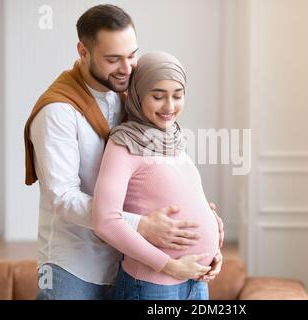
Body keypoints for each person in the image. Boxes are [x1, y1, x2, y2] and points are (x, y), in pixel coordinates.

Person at [23, 4, 223, 300]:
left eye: (132, 55)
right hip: (76, 263)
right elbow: (62, 197)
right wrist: (140, 224)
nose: (127, 68)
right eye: (113, 59)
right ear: (83, 51)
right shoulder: (58, 112)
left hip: (128, 258)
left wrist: (201, 218)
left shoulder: (131, 96)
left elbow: (153, 171)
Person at [92, 51, 221, 300]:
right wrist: (170, 265)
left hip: (197, 280)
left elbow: (183, 197)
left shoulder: (173, 137)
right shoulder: (123, 144)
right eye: (158, 96)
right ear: (138, 95)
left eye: (178, 95)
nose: (170, 107)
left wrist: (214, 245)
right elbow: (105, 223)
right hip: (153, 286)